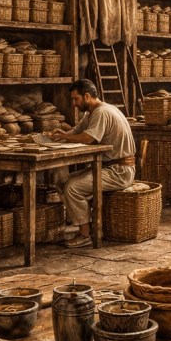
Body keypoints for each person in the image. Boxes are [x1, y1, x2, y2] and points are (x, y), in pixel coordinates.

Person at [51, 79, 135, 249]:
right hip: (107, 167)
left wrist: (64, 138)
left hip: (119, 170)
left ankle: (84, 235)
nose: (74, 103)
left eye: (76, 99)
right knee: (60, 181)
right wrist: (62, 134)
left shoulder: (102, 112)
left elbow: (89, 138)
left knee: (72, 187)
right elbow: (77, 131)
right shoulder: (91, 112)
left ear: (87, 96)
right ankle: (82, 221)